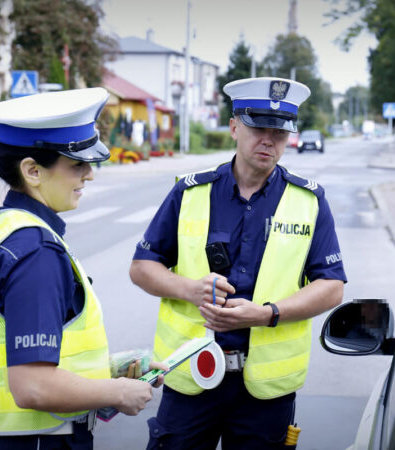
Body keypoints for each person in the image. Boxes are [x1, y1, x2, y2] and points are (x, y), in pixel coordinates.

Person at [129, 77, 347, 449]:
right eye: (258, 128)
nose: (269, 140)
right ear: (233, 127)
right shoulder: (190, 192)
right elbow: (142, 267)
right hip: (191, 375)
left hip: (265, 391)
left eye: (279, 132)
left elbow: (331, 287)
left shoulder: (309, 201)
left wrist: (266, 314)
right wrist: (190, 289)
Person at [0, 88, 165, 449]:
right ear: (32, 171)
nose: (89, 175)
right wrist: (116, 391)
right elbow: (33, 385)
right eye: (77, 164)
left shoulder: (5, 229)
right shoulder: (35, 251)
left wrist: (108, 369)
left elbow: (23, 353)